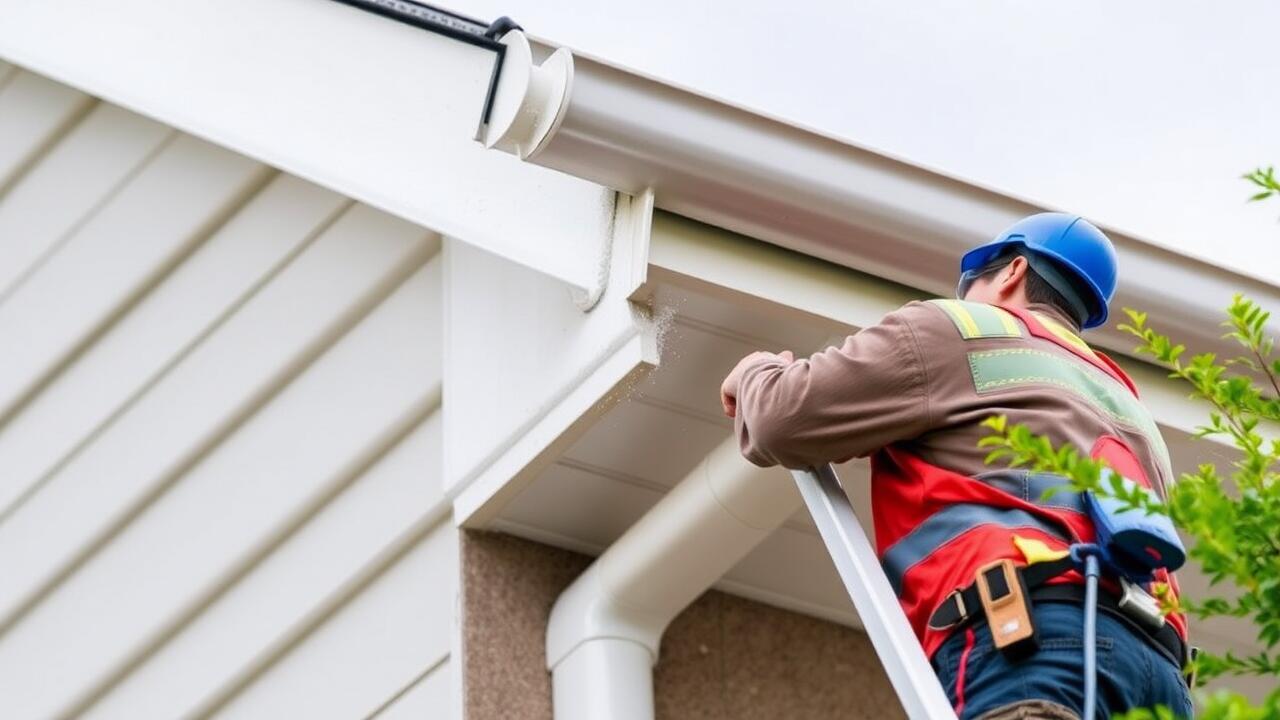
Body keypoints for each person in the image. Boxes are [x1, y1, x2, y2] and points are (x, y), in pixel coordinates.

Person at [720, 213, 1193, 720]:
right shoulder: (1128, 405)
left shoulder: (958, 329)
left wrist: (755, 371)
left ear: (1012, 271)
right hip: (1161, 674)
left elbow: (782, 419)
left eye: (972, 282)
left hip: (1036, 639)